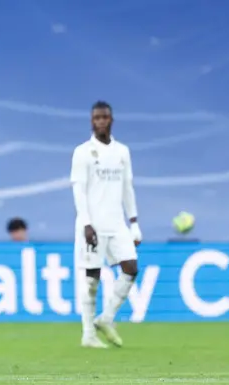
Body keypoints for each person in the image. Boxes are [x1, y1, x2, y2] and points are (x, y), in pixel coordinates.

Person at [69, 101, 142, 349]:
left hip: (117, 223)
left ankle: (107, 317)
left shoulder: (122, 151)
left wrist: (133, 222)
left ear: (111, 120)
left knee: (131, 268)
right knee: (92, 280)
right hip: (93, 224)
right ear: (92, 121)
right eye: (96, 118)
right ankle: (88, 334)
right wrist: (87, 223)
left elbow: (127, 188)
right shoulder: (82, 152)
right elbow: (79, 190)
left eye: (104, 117)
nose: (100, 121)